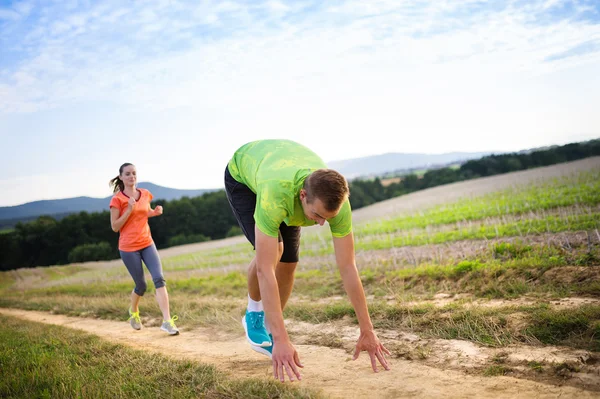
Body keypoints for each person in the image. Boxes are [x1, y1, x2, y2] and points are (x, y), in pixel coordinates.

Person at [224, 139, 390, 382]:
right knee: (275, 252)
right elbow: (264, 270)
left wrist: (368, 330)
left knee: (289, 263)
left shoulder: (336, 204)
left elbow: (347, 266)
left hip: (283, 169)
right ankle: (254, 314)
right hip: (245, 176)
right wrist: (282, 340)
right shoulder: (275, 195)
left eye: (328, 217)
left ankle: (272, 325)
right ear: (303, 196)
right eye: (317, 215)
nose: (321, 223)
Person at [109, 163, 179, 335]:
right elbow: (115, 227)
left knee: (159, 279)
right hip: (128, 248)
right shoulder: (117, 200)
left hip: (147, 243)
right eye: (127, 174)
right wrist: (128, 210)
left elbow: (143, 212)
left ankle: (167, 321)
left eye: (134, 173)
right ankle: (133, 312)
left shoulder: (145, 194)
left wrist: (153, 212)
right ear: (121, 177)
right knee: (141, 286)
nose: (131, 176)